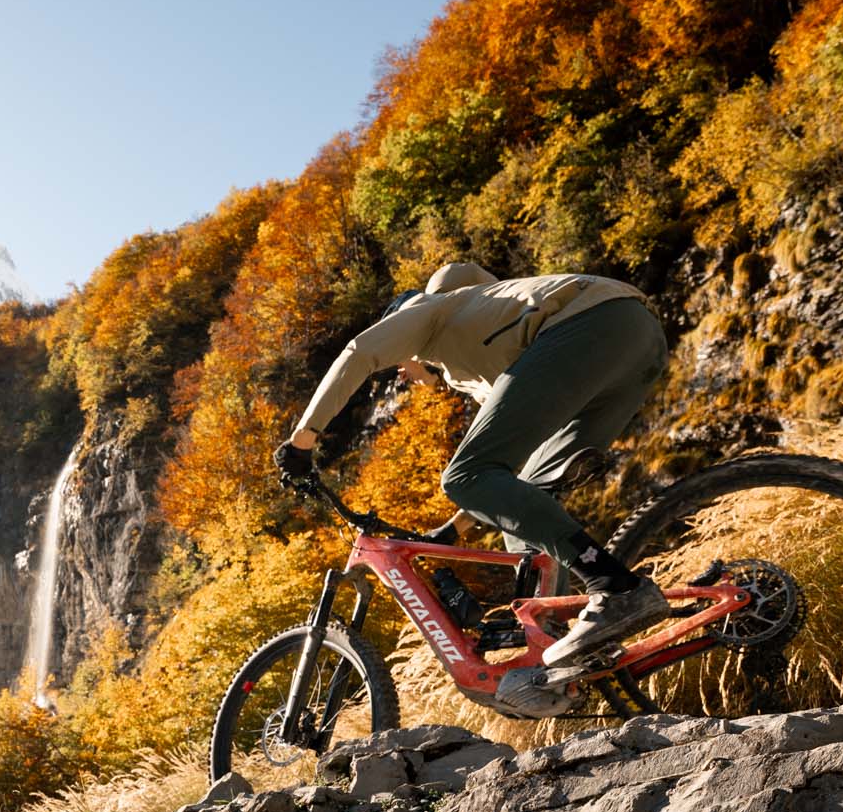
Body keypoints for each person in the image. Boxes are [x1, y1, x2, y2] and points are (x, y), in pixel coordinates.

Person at [274, 262, 669, 668]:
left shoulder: (430, 311)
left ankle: (615, 587)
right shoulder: (491, 328)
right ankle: (572, 644)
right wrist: (456, 527)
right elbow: (504, 470)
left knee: (462, 476)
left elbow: (359, 351)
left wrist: (302, 441)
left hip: (589, 329)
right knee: (530, 499)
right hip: (640, 336)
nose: (403, 372)